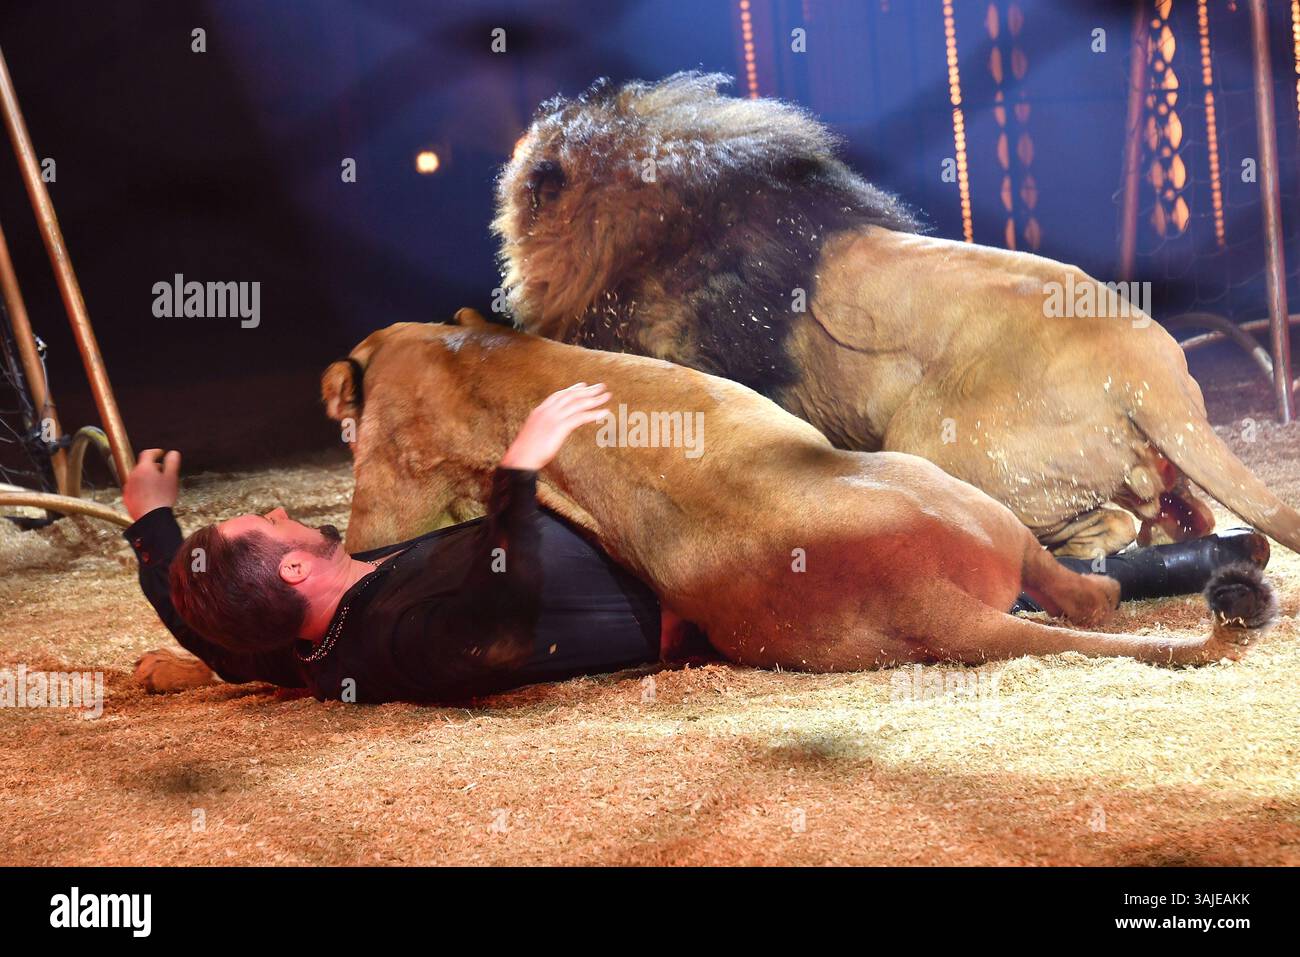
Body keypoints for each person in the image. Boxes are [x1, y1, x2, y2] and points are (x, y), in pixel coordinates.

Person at [124, 384, 1269, 703]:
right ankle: (1196, 585)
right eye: (264, 525)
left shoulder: (291, 646)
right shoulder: (404, 646)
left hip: (668, 554)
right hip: (698, 602)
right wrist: (520, 470)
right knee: (939, 589)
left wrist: (152, 524)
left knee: (984, 559)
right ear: (289, 567)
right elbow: (508, 608)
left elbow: (207, 629)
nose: (279, 512)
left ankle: (1195, 567)